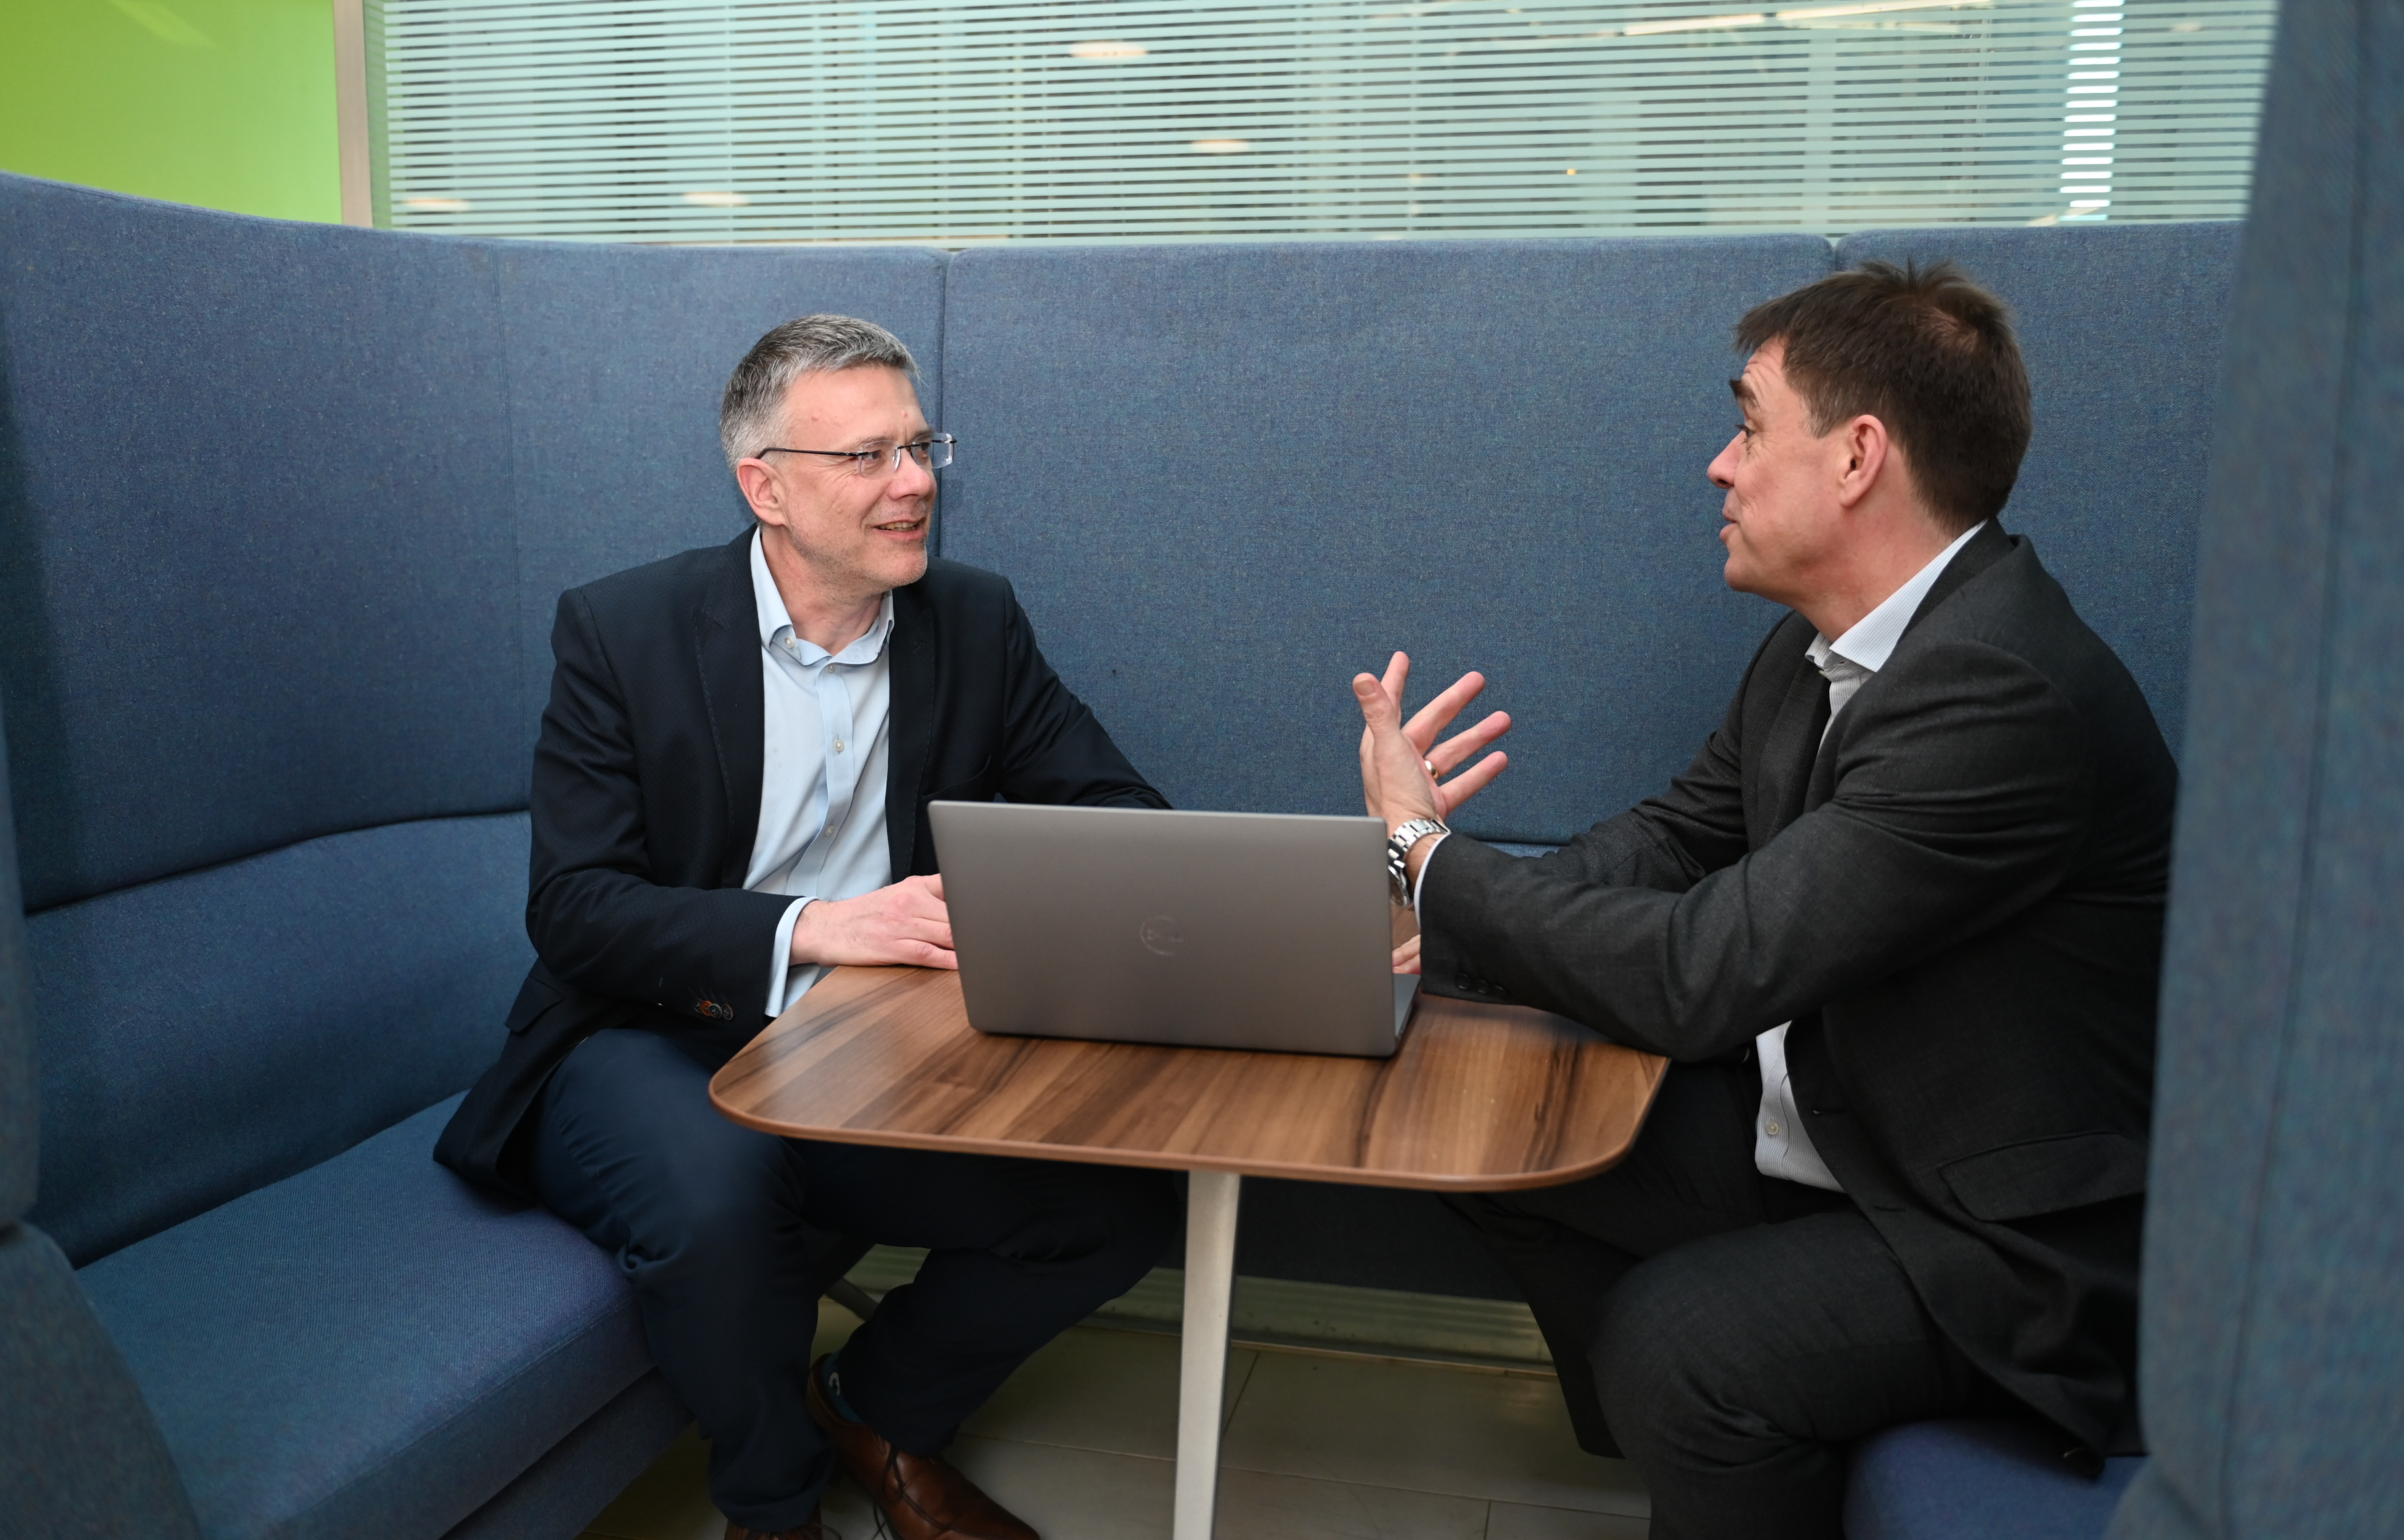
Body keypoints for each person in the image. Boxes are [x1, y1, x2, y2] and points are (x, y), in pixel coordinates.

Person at [1353, 261, 2174, 1540]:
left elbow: (1700, 974)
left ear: (1857, 457)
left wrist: (1425, 855)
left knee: (1682, 1344)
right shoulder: (1822, 643)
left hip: (2000, 1234)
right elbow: (1679, 838)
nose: (1719, 466)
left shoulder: (2000, 693)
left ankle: (1713, 1404)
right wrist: (1436, 926)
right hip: (1843, 1131)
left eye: (1747, 427)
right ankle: (1726, 1452)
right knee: (1475, 1122)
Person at [435, 315, 1178, 1540]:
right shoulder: (623, 630)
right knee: (723, 1194)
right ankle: (774, 1509)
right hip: (647, 1032)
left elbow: (1119, 816)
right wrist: (823, 925)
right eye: (869, 456)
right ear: (765, 487)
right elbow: (575, 910)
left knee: (1120, 1203)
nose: (916, 482)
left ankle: (874, 1409)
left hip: (877, 1040)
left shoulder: (974, 620)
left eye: (922, 446)